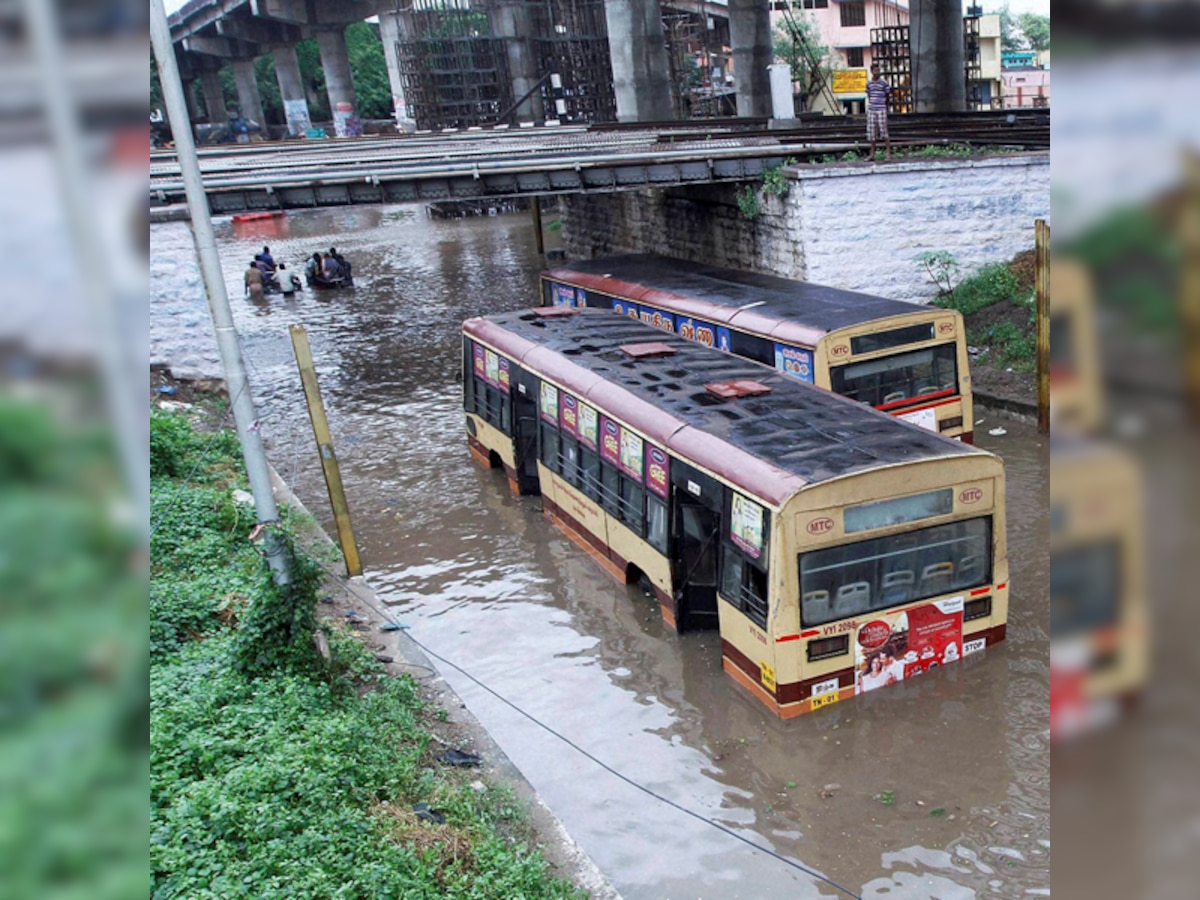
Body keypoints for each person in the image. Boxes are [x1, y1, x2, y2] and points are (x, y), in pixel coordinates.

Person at [866, 62, 892, 161]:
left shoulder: (884, 83)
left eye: (878, 70)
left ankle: (888, 154)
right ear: (872, 71)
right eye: (875, 70)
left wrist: (884, 105)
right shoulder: (868, 83)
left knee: (884, 132)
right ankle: (872, 155)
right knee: (872, 133)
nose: (877, 72)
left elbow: (887, 95)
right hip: (871, 110)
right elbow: (869, 95)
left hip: (881, 109)